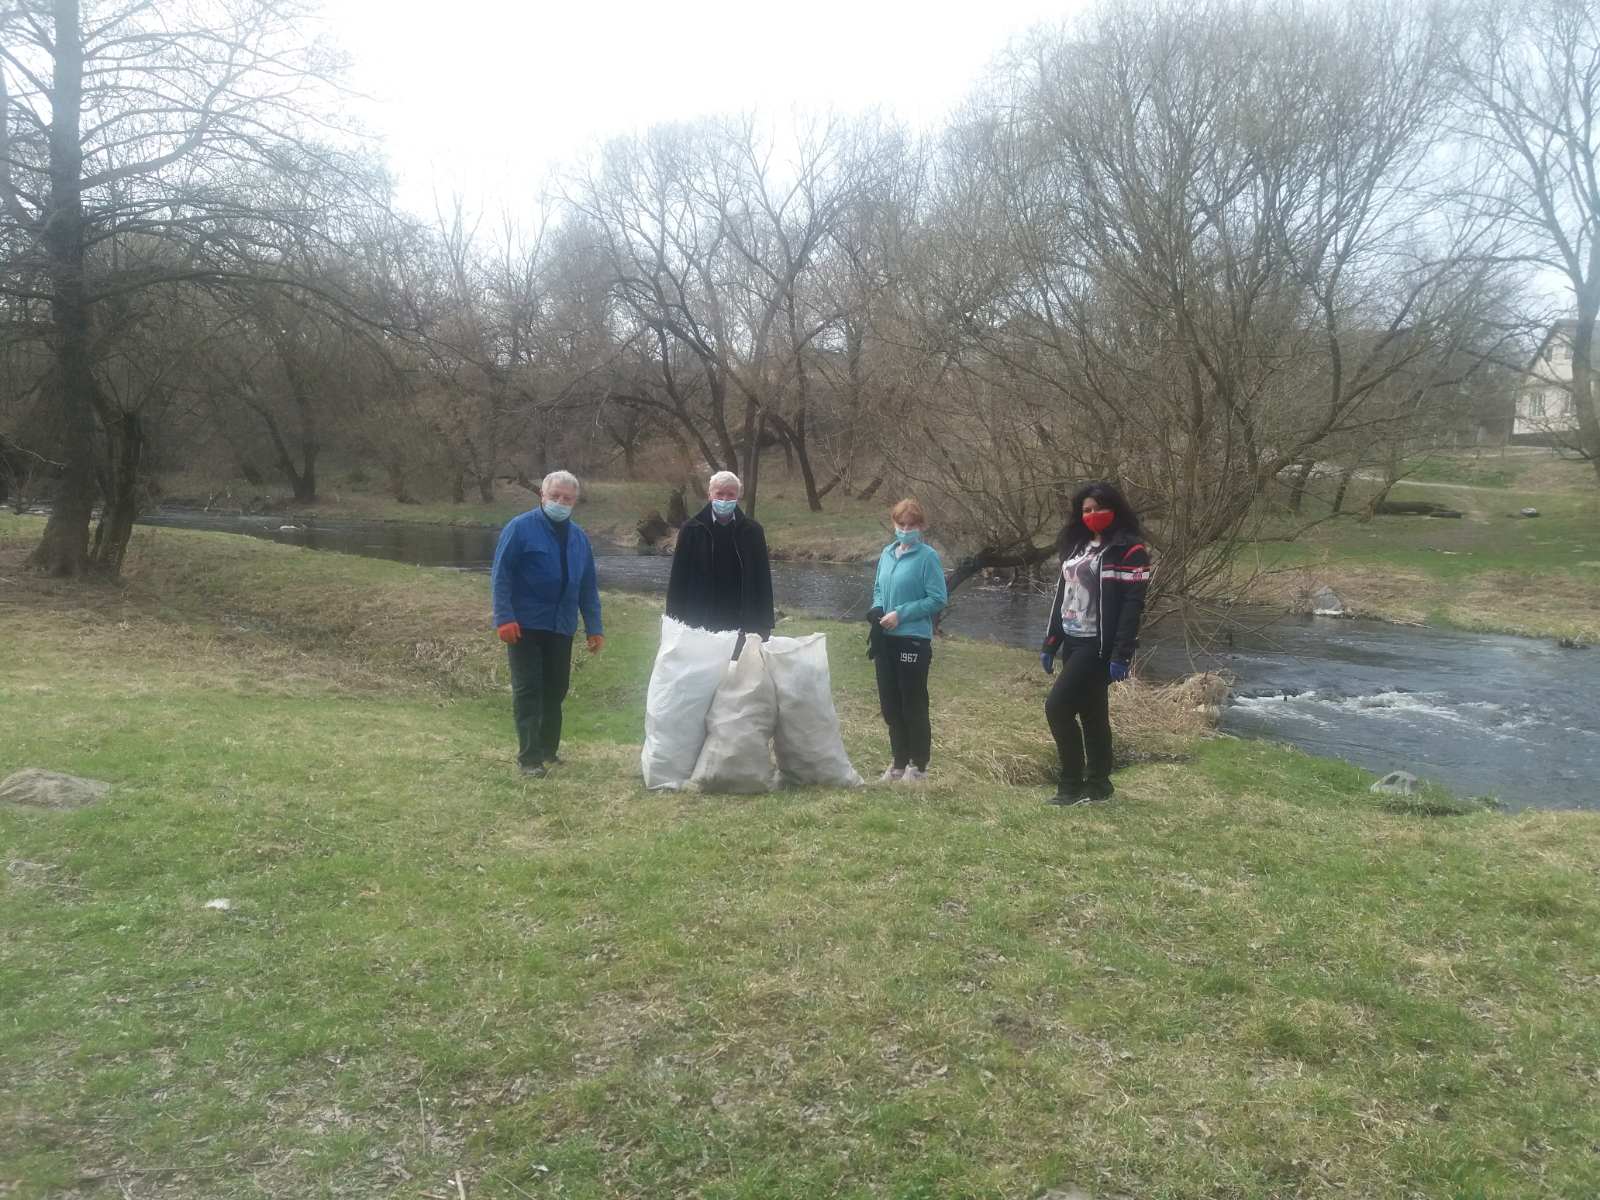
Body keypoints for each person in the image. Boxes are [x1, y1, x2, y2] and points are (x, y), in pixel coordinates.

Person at [1040, 481, 1152, 805]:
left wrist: (1121, 653)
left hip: (1097, 645)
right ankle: (1100, 785)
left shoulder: (1130, 551)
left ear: (1114, 510)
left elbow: (1132, 606)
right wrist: (1051, 642)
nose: (1092, 515)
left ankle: (1070, 785)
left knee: (1057, 708)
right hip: (1072, 640)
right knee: (1092, 714)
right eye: (1087, 510)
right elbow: (1063, 595)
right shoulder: (1077, 546)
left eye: (1099, 509)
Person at [490, 470, 604, 778]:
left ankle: (547, 749)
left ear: (575, 501)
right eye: (555, 496)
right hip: (524, 624)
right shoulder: (519, 528)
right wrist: (504, 618)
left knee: (556, 688)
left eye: (567, 498)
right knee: (529, 688)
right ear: (542, 496)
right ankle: (529, 759)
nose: (560, 502)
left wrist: (594, 627)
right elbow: (501, 576)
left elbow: (587, 586)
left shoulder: (579, 538)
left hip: (561, 625)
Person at [869, 497, 948, 785]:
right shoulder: (887, 553)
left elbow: (937, 598)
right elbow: (878, 588)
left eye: (911, 525)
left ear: (921, 526)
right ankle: (898, 762)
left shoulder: (928, 557)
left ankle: (919, 766)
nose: (905, 530)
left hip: (912, 639)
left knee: (912, 703)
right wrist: (877, 608)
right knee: (890, 704)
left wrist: (901, 613)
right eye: (901, 524)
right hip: (885, 639)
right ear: (894, 524)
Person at [664, 471, 775, 646]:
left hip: (741, 618)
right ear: (710, 495)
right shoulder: (691, 529)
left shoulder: (753, 531)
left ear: (738, 496)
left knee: (739, 663)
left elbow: (763, 580)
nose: (724, 499)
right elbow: (678, 579)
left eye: (730, 494)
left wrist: (765, 624)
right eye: (720, 493)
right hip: (700, 619)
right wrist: (672, 622)